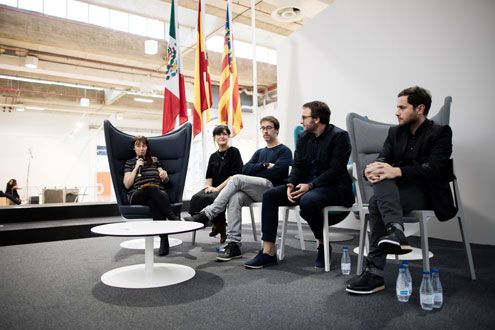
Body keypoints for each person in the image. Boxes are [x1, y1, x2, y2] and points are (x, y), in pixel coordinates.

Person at [346, 86, 457, 294]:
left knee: (377, 201)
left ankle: (374, 273)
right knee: (380, 183)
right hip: (398, 193)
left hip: (427, 193)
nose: (396, 112)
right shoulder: (395, 132)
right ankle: (396, 231)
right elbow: (382, 160)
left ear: (420, 108)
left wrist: (396, 171)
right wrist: (370, 170)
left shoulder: (440, 132)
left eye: (402, 107)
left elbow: (434, 169)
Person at [244, 101, 354, 269]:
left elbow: (336, 171)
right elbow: (298, 166)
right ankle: (268, 252)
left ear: (316, 119)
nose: (301, 121)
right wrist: (291, 184)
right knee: (270, 195)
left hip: (335, 187)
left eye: (304, 117)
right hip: (307, 186)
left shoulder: (340, 136)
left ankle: (322, 245)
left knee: (308, 200)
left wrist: (310, 185)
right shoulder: (303, 137)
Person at [186, 116, 292, 262]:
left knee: (236, 178)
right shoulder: (259, 153)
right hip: (256, 190)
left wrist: (258, 170)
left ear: (276, 130)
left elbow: (277, 172)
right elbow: (245, 169)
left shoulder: (284, 151)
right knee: (235, 198)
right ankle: (234, 244)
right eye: (263, 128)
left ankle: (207, 214)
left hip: (272, 190)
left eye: (269, 128)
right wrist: (264, 165)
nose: (265, 131)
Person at [123, 135, 180, 256]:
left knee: (154, 202)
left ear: (147, 147)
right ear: (134, 148)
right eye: (138, 146)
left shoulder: (154, 160)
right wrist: (137, 167)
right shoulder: (130, 162)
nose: (142, 148)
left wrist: (165, 176)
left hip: (156, 193)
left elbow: (165, 180)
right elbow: (127, 185)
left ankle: (164, 241)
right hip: (138, 194)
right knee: (150, 187)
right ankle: (173, 218)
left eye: (144, 145)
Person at [188, 125, 243, 243]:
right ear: (214, 137)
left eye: (224, 134)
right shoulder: (213, 156)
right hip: (214, 187)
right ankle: (218, 224)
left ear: (228, 136)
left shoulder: (234, 152)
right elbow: (209, 176)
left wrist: (217, 188)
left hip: (230, 186)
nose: (221, 137)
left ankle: (220, 226)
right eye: (218, 134)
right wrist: (208, 187)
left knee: (215, 197)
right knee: (197, 197)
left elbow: (235, 176)